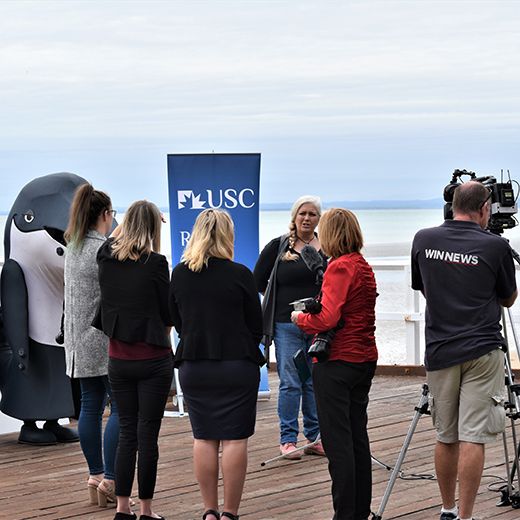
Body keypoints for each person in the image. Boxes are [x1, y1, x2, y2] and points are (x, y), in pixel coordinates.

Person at [411, 180, 517, 520]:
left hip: (440, 349)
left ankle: (447, 509)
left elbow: (425, 288)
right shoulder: (495, 246)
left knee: (446, 435)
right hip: (483, 349)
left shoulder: (423, 239)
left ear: (452, 205)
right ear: (486, 209)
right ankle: (466, 516)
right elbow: (508, 298)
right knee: (473, 436)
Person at [169, 209, 265, 520]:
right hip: (237, 364)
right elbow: (257, 324)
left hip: (195, 365)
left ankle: (209, 511)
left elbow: (177, 321)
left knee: (204, 437)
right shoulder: (240, 274)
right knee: (235, 439)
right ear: (228, 236)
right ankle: (229, 513)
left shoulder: (179, 274)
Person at [291, 207, 378, 520]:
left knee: (337, 441)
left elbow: (327, 317)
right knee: (357, 438)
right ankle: (360, 510)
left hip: (339, 361)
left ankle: (344, 513)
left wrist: (300, 318)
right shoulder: (362, 265)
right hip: (364, 359)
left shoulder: (339, 267)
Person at [93, 200, 174, 520]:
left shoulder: (105, 257)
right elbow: (168, 314)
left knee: (127, 432)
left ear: (124, 224)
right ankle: (147, 511)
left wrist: (136, 218)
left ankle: (123, 508)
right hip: (154, 360)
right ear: (153, 228)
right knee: (148, 436)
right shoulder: (156, 262)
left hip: (118, 360)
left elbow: (116, 239)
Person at [253, 195, 327, 459]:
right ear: (294, 216)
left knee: (313, 381)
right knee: (290, 382)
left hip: (319, 326)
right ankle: (287, 440)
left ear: (319, 218)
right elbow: (258, 281)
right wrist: (281, 305)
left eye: (313, 214)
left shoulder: (327, 246)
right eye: (302, 213)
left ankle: (314, 438)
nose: (307, 218)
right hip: (287, 325)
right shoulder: (278, 246)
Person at [63, 184, 120, 507]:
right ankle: (111, 479)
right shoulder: (105, 249)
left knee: (90, 405)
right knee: (120, 408)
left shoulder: (72, 247)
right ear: (105, 214)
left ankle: (95, 475)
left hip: (77, 339)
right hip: (105, 338)